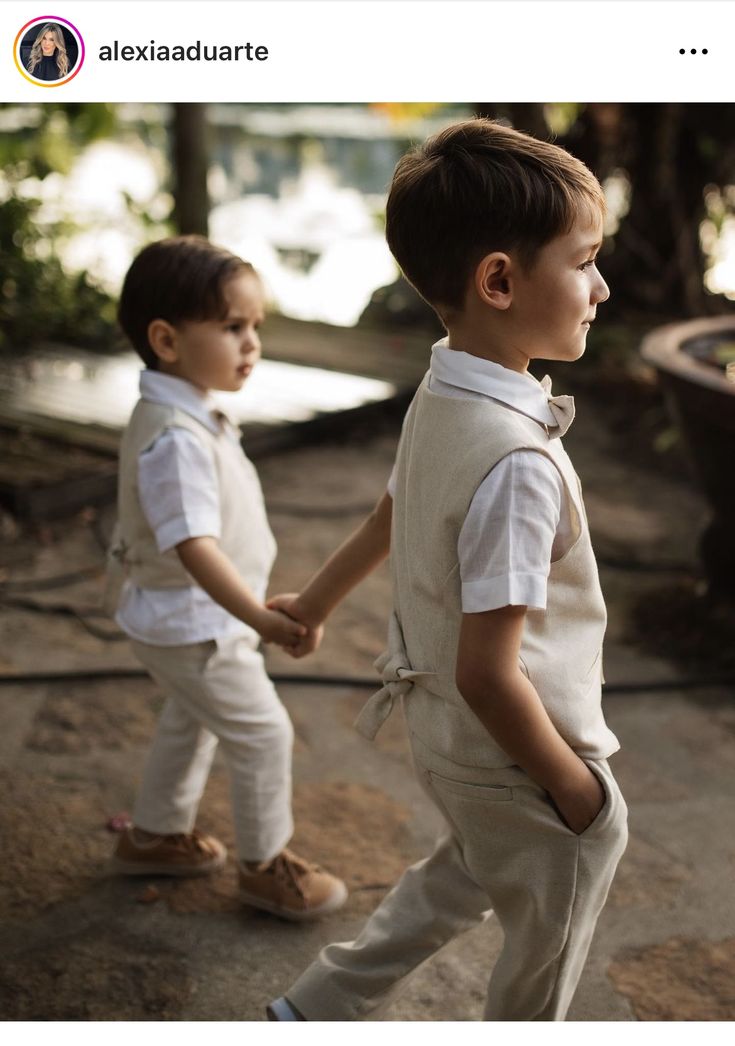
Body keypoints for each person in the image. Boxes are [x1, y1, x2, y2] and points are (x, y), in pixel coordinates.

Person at [266, 119, 628, 1020]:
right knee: (543, 953)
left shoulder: (445, 383)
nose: (602, 286)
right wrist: (577, 794)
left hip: (448, 744)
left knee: (458, 875)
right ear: (498, 280)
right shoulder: (515, 462)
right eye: (583, 261)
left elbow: (396, 507)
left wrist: (313, 602)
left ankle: (309, 1007)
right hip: (520, 757)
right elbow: (487, 670)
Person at [106, 235, 347, 921]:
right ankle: (266, 866)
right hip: (195, 625)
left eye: (256, 328)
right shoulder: (175, 438)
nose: (251, 343)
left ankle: (152, 835)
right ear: (167, 340)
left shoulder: (185, 410)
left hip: (194, 623)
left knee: (193, 720)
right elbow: (193, 547)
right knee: (262, 734)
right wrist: (258, 616)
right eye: (233, 326)